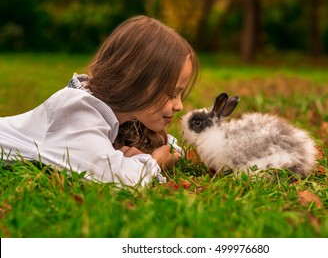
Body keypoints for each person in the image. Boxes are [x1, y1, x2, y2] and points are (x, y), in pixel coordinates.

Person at [0, 15, 199, 187]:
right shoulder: (77, 111)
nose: (179, 105)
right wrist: (156, 163)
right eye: (172, 93)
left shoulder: (119, 114)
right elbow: (115, 178)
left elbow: (168, 146)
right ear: (135, 79)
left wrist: (165, 152)